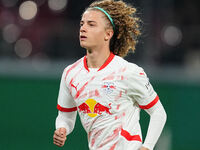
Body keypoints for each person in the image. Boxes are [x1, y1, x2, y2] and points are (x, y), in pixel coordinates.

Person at [53, 0, 167, 150]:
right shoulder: (71, 74)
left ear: (108, 34)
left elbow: (158, 112)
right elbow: (65, 116)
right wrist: (62, 128)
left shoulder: (128, 72)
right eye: (82, 24)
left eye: (91, 24)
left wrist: (147, 147)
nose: (83, 29)